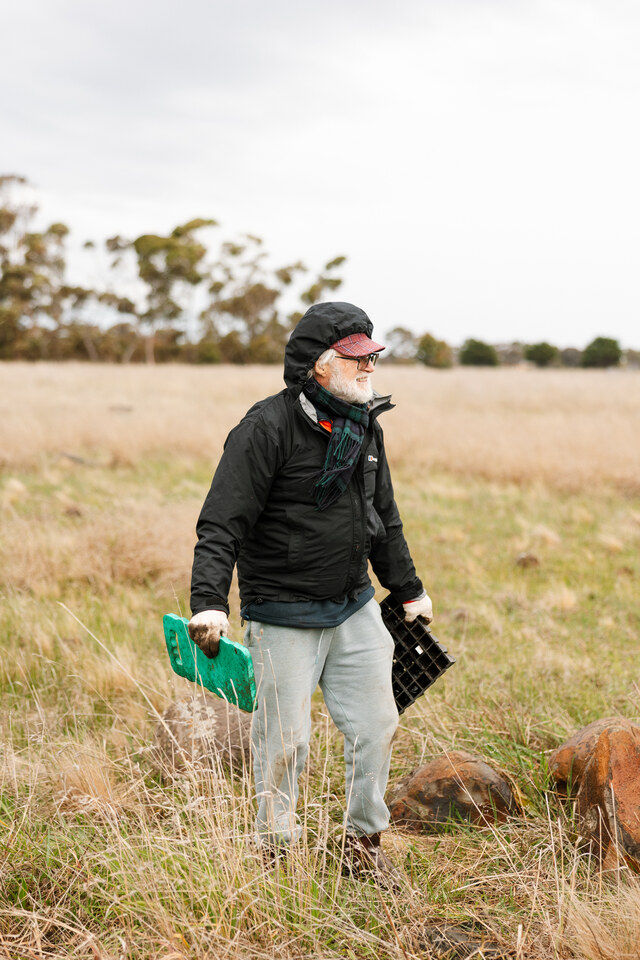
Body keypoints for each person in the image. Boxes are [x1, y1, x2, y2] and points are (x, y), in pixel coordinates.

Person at [189, 301, 432, 882]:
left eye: (372, 356)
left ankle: (363, 846)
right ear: (319, 365)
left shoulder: (364, 425)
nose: (369, 366)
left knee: (377, 725)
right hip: (283, 612)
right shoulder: (265, 428)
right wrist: (209, 602)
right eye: (356, 357)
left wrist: (408, 589)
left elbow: (383, 516)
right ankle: (274, 853)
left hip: (353, 605)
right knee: (284, 742)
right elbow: (222, 522)